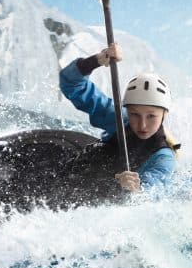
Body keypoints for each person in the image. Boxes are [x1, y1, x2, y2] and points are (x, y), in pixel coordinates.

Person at [59, 43, 179, 193]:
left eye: (151, 116)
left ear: (164, 114)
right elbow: (71, 84)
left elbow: (153, 194)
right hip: (96, 173)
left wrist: (137, 190)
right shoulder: (119, 118)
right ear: (127, 110)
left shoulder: (163, 158)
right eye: (135, 114)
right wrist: (96, 61)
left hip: (112, 196)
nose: (142, 125)